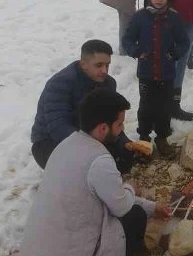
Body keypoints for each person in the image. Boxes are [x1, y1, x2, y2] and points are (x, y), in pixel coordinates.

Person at [20, 88, 172, 256]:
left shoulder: (66, 144)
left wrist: (152, 206)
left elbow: (112, 196)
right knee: (135, 217)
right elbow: (121, 206)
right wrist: (130, 188)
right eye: (119, 124)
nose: (122, 129)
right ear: (102, 128)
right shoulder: (99, 159)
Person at [30, 40, 144, 171]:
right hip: (50, 142)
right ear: (83, 64)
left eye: (107, 65)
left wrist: (124, 143)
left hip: (89, 136)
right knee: (85, 169)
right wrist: (92, 149)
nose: (104, 70)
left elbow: (112, 120)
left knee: (123, 159)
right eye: (99, 65)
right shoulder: (60, 84)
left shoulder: (108, 84)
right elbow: (58, 128)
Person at [122, 0, 190, 158]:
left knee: (164, 107)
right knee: (146, 107)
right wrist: (136, 52)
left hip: (167, 74)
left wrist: (174, 54)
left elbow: (184, 41)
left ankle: (162, 138)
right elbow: (127, 39)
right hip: (146, 74)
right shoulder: (139, 17)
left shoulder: (174, 18)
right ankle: (144, 138)